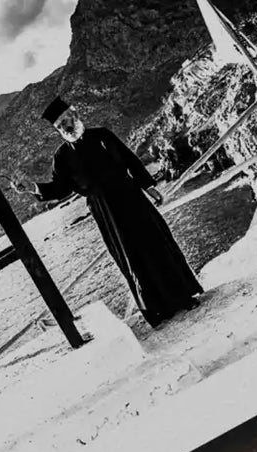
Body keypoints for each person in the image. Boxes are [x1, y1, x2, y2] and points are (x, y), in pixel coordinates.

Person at [13, 97, 202, 327]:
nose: (66, 126)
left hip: (132, 198)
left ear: (75, 114)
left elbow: (130, 160)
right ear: (58, 130)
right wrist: (31, 187)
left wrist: (149, 187)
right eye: (60, 125)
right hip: (106, 213)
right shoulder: (61, 157)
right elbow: (59, 188)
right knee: (132, 259)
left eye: (67, 120)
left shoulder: (102, 135)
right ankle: (159, 310)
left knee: (157, 244)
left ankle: (185, 297)